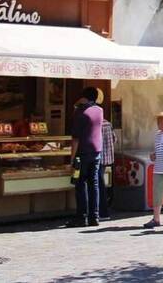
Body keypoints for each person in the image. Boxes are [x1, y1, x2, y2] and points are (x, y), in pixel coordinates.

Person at [68, 87, 103, 228]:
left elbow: (75, 139)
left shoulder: (80, 112)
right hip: (96, 151)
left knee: (80, 184)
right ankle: (94, 216)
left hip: (82, 152)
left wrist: (72, 158)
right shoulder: (100, 110)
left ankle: (81, 217)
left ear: (83, 97)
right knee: (93, 184)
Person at [99, 115, 116, 220]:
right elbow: (114, 139)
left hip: (100, 160)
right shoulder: (108, 123)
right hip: (109, 160)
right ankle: (106, 210)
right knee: (106, 185)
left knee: (100, 186)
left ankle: (102, 212)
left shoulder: (97, 125)